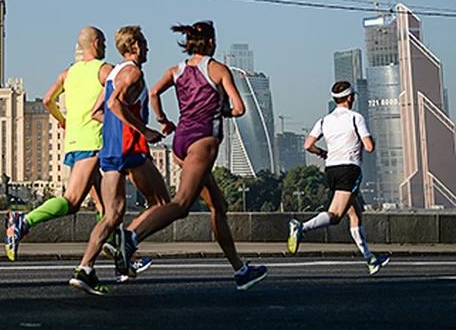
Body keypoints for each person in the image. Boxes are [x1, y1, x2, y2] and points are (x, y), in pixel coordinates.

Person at [119, 21, 267, 291]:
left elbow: (153, 92)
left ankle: (241, 270)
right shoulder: (217, 69)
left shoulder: (176, 70)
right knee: (181, 204)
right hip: (202, 143)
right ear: (210, 42)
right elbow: (240, 108)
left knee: (218, 206)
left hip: (180, 144)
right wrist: (221, 111)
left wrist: (163, 119)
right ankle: (130, 238)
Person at [70, 26, 170, 295]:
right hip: (131, 149)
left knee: (112, 215)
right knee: (162, 203)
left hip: (110, 151)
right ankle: (129, 242)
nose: (148, 49)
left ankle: (85, 269)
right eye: (145, 44)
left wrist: (117, 127)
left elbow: (96, 112)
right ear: (135, 46)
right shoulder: (133, 72)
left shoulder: (113, 73)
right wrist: (142, 129)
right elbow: (114, 105)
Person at [5, 27, 113, 261]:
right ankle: (22, 221)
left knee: (105, 206)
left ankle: (120, 258)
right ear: (96, 44)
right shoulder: (105, 71)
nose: (105, 46)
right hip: (92, 140)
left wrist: (63, 121)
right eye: (103, 42)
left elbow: (47, 100)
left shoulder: (68, 74)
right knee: (73, 200)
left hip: (73, 141)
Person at [288, 82, 389, 275]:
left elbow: (308, 145)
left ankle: (370, 259)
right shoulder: (356, 118)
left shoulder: (324, 121)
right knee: (335, 215)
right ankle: (301, 227)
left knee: (354, 213)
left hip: (331, 170)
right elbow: (369, 147)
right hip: (349, 170)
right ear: (350, 97)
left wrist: (322, 152)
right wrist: (369, 139)